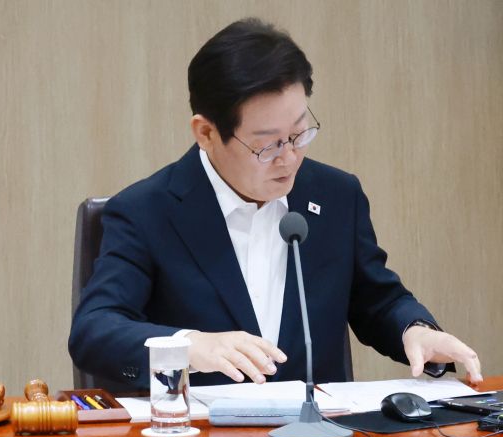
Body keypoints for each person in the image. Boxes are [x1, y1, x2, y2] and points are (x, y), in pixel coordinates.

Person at [69, 18, 481, 389]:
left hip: (320, 430)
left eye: (300, 133)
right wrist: (190, 346)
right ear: (206, 133)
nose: (290, 158)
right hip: (200, 432)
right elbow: (95, 330)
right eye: (267, 146)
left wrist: (415, 330)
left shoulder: (336, 195)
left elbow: (378, 299)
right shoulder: (147, 211)